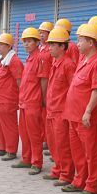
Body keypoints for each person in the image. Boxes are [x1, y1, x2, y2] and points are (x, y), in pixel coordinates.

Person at [61, 24, 97, 194]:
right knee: (78, 152)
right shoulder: (83, 60)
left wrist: (88, 111)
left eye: (81, 40)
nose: (77, 44)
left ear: (91, 42)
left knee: (91, 153)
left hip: (85, 117)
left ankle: (92, 186)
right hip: (73, 115)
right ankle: (79, 180)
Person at [43, 27, 77, 185]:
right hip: (52, 110)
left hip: (61, 112)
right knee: (53, 143)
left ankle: (66, 174)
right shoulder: (55, 62)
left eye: (53, 44)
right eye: (49, 44)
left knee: (63, 145)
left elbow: (72, 89)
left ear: (62, 46)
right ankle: (57, 169)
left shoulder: (68, 65)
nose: (49, 47)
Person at [13, 27, 46, 175]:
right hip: (24, 102)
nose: (26, 44)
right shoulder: (30, 58)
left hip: (33, 102)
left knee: (34, 134)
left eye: (29, 41)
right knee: (24, 132)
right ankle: (26, 159)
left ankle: (36, 162)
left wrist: (43, 99)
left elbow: (44, 80)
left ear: (37, 42)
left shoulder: (40, 58)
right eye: (24, 42)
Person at [0, 33, 23, 161]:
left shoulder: (14, 61)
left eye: (1, 44)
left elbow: (19, 81)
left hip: (7, 100)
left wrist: (21, 98)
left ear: (9, 46)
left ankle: (11, 150)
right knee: (0, 125)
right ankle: (2, 147)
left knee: (9, 126)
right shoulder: (3, 60)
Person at [38, 22, 54, 156]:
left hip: (48, 88)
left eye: (43, 32)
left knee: (47, 118)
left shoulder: (50, 51)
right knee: (43, 118)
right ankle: (45, 139)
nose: (41, 35)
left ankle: (49, 142)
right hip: (40, 88)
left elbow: (46, 75)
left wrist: (44, 94)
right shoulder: (40, 48)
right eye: (40, 32)